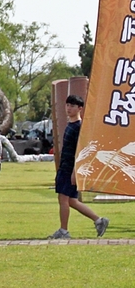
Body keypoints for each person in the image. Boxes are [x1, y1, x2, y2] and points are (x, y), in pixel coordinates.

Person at [48, 94, 109, 239]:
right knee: (71, 201)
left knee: (63, 199)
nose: (68, 108)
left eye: (72, 106)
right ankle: (99, 220)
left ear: (80, 108)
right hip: (65, 167)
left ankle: (64, 231)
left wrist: (75, 172)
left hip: (70, 168)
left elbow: (80, 152)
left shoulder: (79, 127)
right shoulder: (70, 125)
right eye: (67, 105)